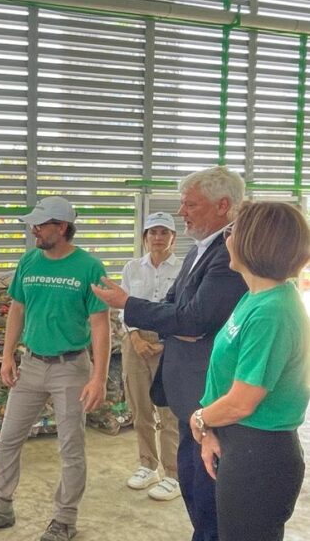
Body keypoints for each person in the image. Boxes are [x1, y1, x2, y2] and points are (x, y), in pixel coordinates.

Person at [92, 166, 247, 541]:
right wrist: (170, 322)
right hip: (187, 395)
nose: (183, 211)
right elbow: (175, 307)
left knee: (209, 501)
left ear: (222, 205)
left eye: (190, 204)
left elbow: (193, 320)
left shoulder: (229, 255)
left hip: (208, 394)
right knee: (194, 491)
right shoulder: (199, 251)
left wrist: (131, 304)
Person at [0, 196, 110, 541]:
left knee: (71, 447)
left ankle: (64, 519)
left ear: (61, 228)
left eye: (41, 225)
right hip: (31, 365)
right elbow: (17, 308)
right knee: (8, 440)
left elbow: (100, 324)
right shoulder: (29, 261)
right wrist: (9, 355)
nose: (34, 231)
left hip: (70, 367)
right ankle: (0, 507)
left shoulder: (89, 267)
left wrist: (99, 378)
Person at [190, 201, 310, 541]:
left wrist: (199, 419)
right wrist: (210, 430)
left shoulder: (273, 310)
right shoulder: (254, 298)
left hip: (260, 454)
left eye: (231, 231)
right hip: (238, 440)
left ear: (252, 241)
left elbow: (243, 401)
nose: (226, 239)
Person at [119, 212, 181, 501]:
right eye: (152, 232)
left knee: (170, 411)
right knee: (140, 406)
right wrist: (134, 336)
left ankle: (173, 473)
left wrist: (167, 341)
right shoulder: (132, 268)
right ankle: (147, 465)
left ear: (173, 238)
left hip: (171, 341)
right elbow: (124, 306)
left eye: (163, 232)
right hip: (136, 340)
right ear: (144, 238)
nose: (158, 238)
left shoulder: (184, 268)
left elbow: (185, 309)